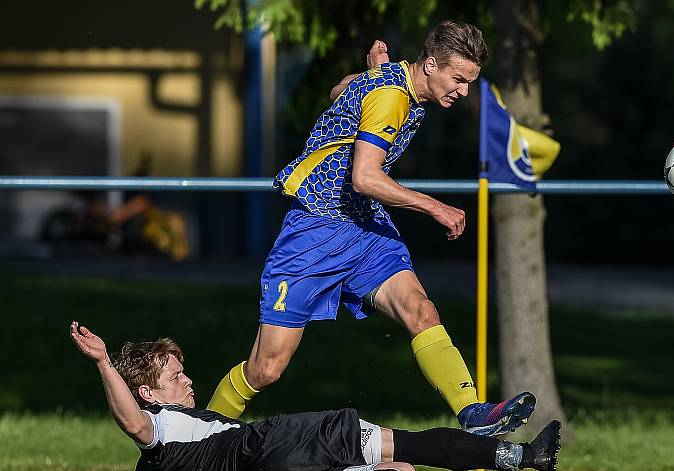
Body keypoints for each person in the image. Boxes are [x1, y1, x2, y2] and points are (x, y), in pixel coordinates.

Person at [207, 20, 537, 438]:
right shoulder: (390, 96)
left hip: (365, 226)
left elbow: (338, 93)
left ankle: (472, 411)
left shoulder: (395, 77)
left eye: (470, 81)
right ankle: (194, 444)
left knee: (421, 310)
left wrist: (369, 74)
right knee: (266, 368)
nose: (463, 91)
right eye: (458, 79)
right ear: (431, 64)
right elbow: (365, 176)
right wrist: (433, 206)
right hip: (316, 231)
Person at [58, 323, 561, 471]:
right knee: (401, 446)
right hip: (271, 445)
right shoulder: (160, 425)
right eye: (174, 377)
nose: (187, 382)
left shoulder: (154, 470)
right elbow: (136, 425)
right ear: (147, 393)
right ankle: (518, 454)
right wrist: (105, 362)